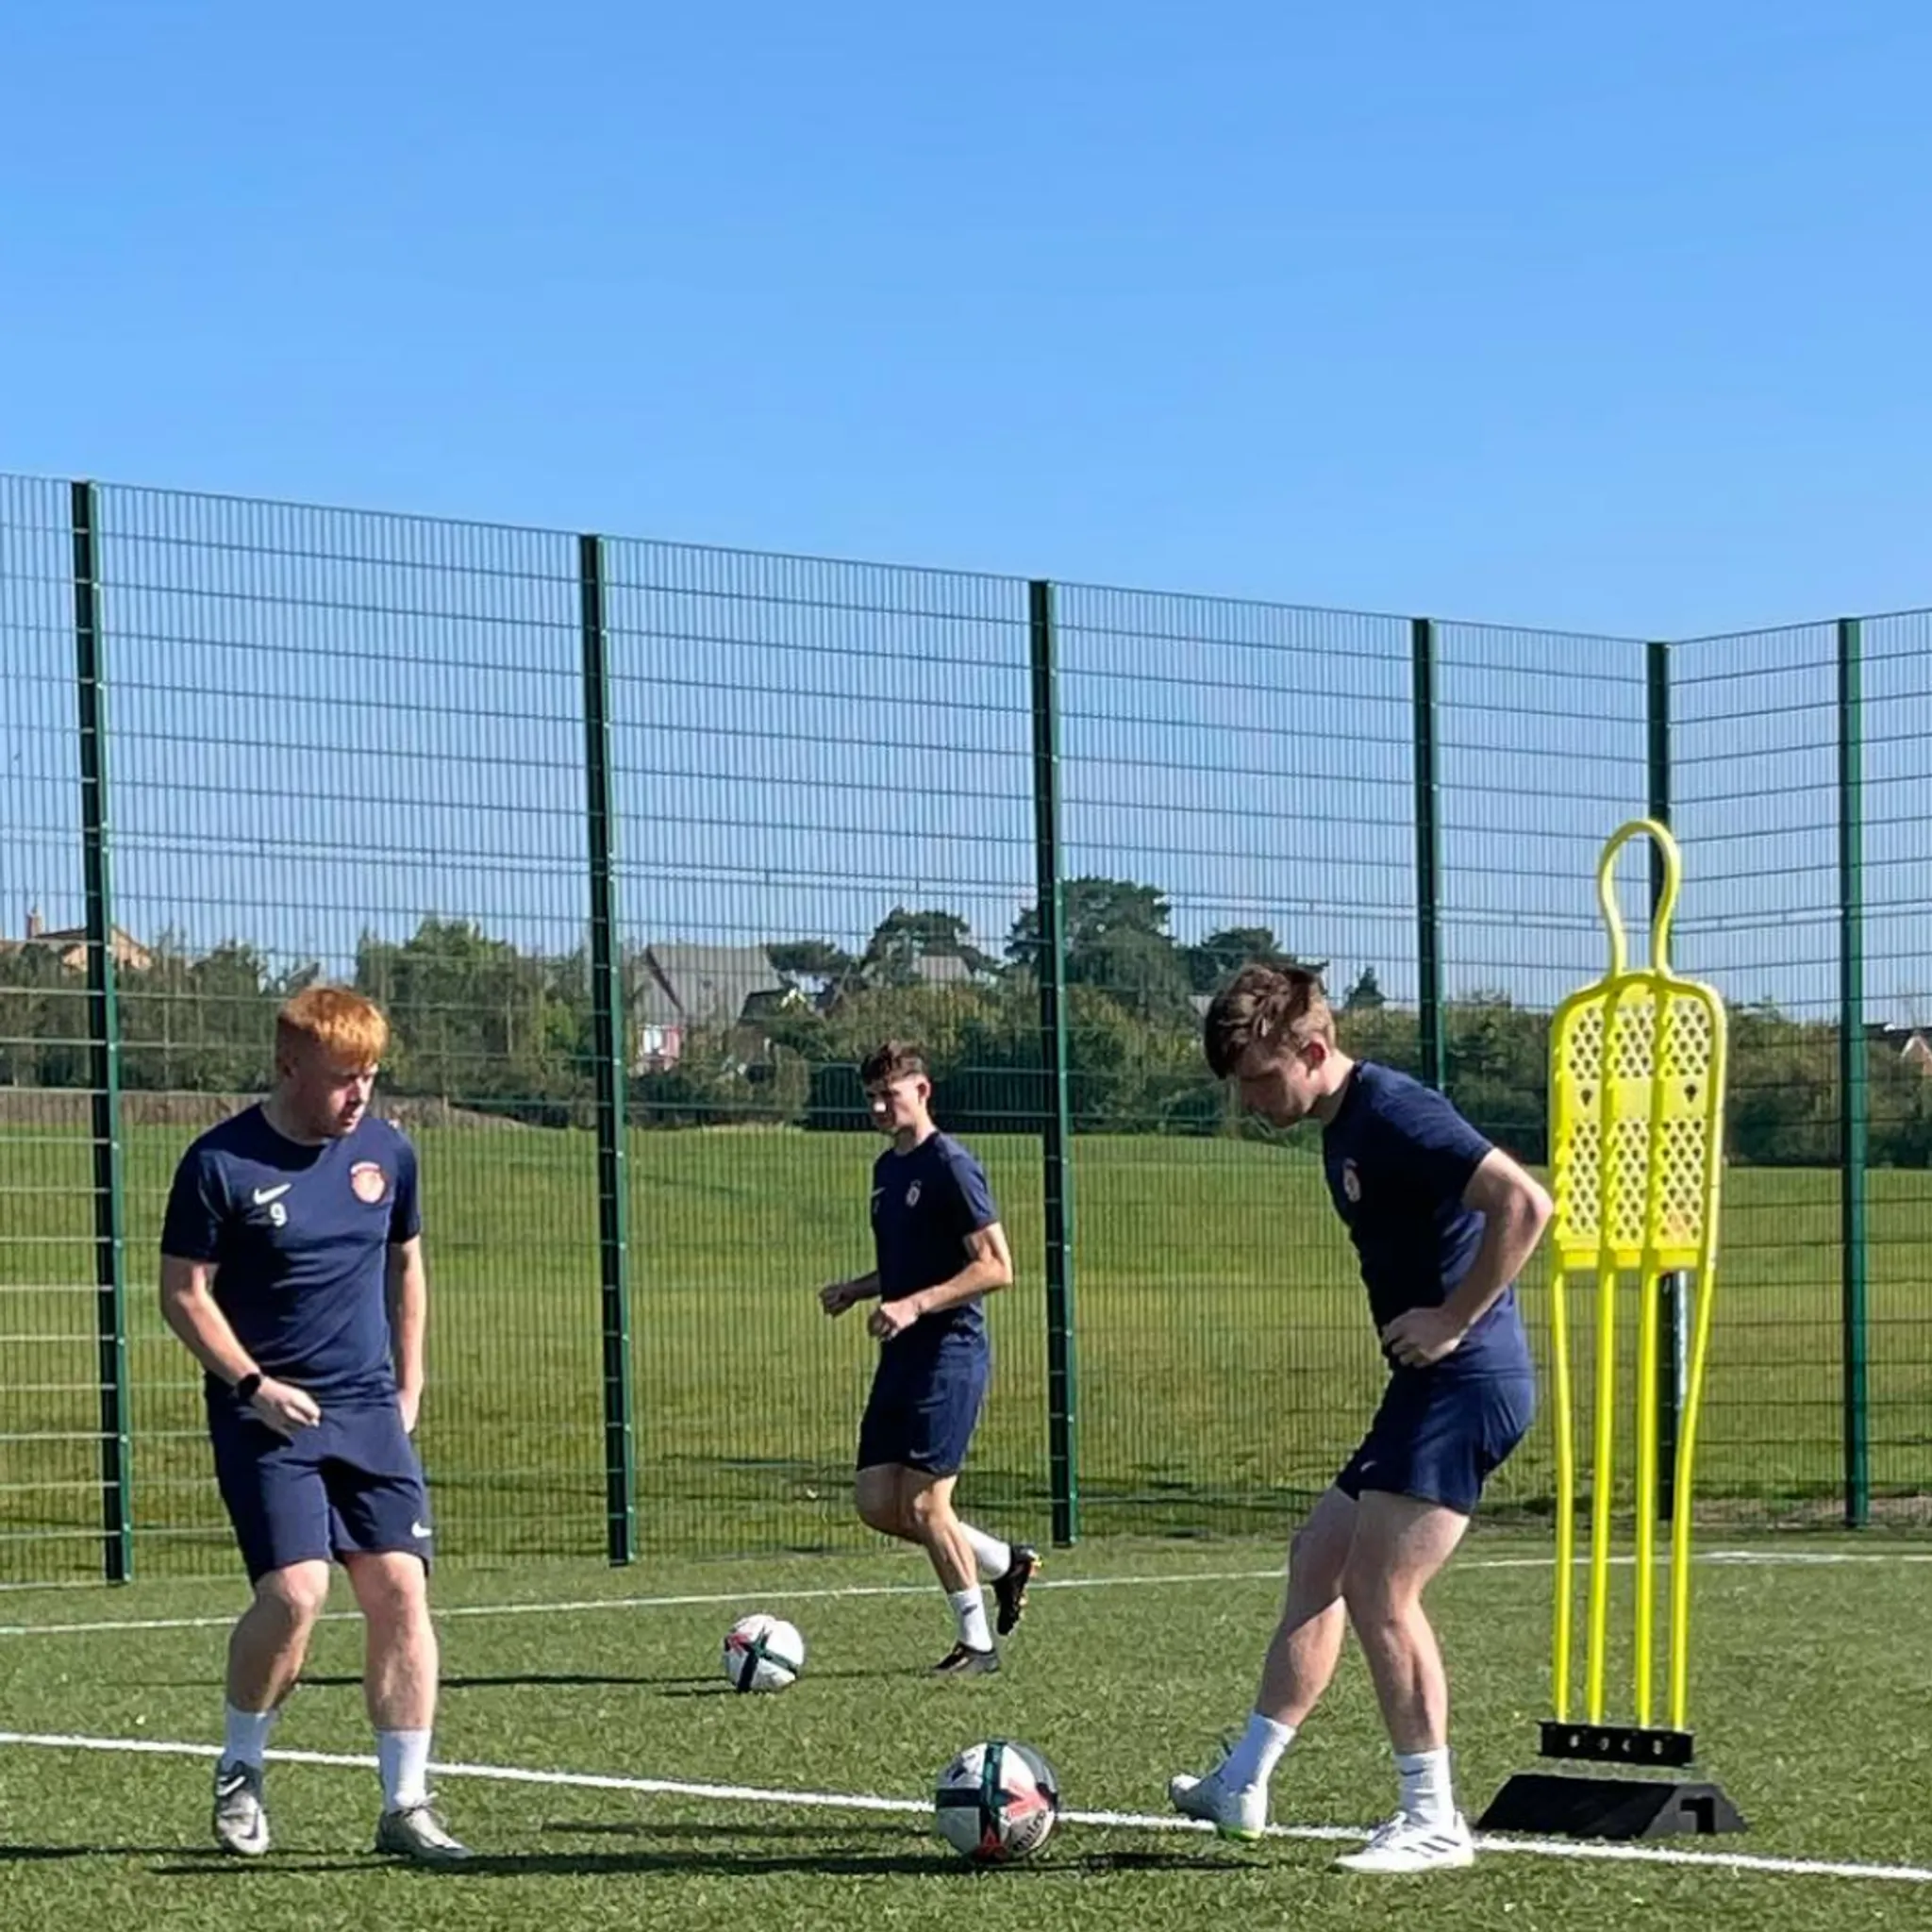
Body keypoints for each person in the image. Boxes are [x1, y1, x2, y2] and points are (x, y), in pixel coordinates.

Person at [1169, 966, 1551, 1874]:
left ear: (1313, 1049)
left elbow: (1524, 1203)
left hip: (1466, 1381)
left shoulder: (1393, 1111)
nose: (1252, 1101)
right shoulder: (1344, 1126)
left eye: (1261, 1080)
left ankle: (1434, 1818)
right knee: (1320, 1559)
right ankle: (1245, 1781)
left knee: (1383, 1591)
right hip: (1424, 1387)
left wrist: (1454, 1317)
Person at [158, 985, 468, 1865]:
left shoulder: (388, 1154)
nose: (359, 1094)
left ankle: (406, 1804)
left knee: (401, 1591)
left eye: (369, 1075)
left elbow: (406, 1265)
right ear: (289, 1067)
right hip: (267, 1415)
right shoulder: (219, 1164)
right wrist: (252, 1384)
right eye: (343, 1078)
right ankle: (241, 1769)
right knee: (297, 1594)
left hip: (370, 1413)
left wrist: (410, 1384)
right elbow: (182, 1294)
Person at [818, 1040, 1039, 1673]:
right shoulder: (887, 1172)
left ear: (923, 1090)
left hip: (950, 1354)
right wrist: (857, 1289)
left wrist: (915, 1306)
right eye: (871, 1099)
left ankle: (977, 1646)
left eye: (890, 1095)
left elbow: (996, 1268)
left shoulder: (952, 1165)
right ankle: (1004, 1562)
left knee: (923, 1505)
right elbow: (905, 1267)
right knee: (875, 1504)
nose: (880, 1108)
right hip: (901, 1353)